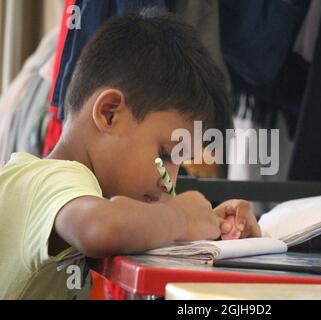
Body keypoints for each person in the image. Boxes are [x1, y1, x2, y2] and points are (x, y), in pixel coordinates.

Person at [0, 12, 261, 300]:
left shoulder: (70, 192)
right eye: (165, 154)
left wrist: (211, 224)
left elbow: (129, 221)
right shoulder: (50, 179)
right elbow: (104, 227)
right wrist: (181, 218)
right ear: (109, 113)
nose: (169, 181)